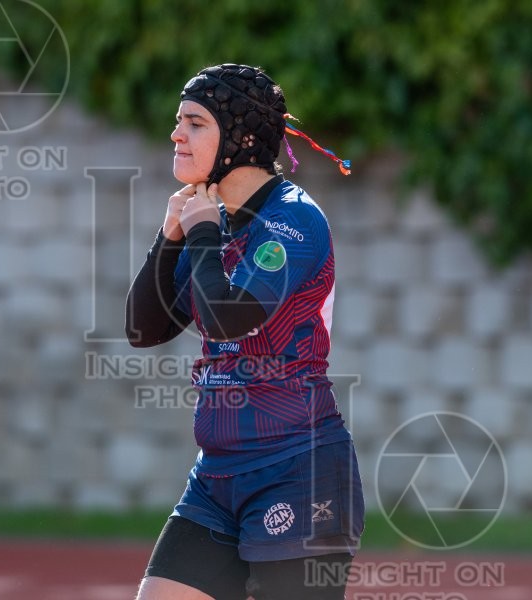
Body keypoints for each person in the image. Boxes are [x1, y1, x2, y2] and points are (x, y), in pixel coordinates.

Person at [126, 63, 364, 600]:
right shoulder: (217, 221)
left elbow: (228, 317)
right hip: (217, 478)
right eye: (178, 121)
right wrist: (169, 238)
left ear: (243, 139)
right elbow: (144, 328)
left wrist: (201, 233)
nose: (176, 134)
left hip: (297, 471)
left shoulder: (292, 219)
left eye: (194, 123)